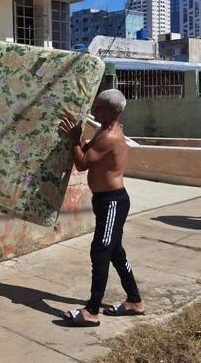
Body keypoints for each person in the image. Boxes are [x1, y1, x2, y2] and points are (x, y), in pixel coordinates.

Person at [58, 89, 144, 327]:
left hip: (113, 202)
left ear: (114, 112)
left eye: (100, 108)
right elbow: (88, 152)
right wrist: (78, 139)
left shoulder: (111, 136)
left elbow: (82, 163)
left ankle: (91, 311)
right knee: (115, 252)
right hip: (105, 201)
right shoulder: (103, 130)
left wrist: (74, 140)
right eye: (95, 106)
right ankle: (135, 302)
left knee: (100, 251)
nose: (95, 112)